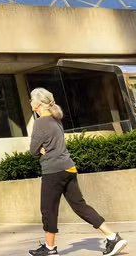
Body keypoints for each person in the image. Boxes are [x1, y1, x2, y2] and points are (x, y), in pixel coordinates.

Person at [27, 88, 127, 256]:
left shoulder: (40, 123)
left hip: (54, 170)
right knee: (80, 206)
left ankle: (50, 249)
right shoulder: (56, 119)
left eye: (31, 100)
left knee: (48, 209)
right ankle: (112, 237)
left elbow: (33, 150)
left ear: (37, 104)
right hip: (68, 168)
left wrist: (41, 150)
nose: (30, 102)